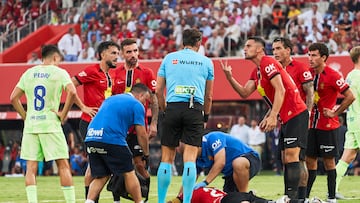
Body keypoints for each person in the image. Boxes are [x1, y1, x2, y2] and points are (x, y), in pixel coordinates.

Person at [221, 36, 308, 200]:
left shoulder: (268, 62)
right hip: (286, 117)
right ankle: (293, 198)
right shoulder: (258, 70)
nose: (244, 49)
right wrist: (229, 77)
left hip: (296, 113)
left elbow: (280, 90)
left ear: (259, 49)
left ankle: (294, 198)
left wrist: (273, 116)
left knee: (292, 156)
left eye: (248, 46)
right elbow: (245, 93)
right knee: (286, 158)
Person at [10, 44, 76, 203]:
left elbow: (13, 98)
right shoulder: (59, 72)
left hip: (31, 126)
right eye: (59, 59)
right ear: (55, 57)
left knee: (30, 168)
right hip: (50, 124)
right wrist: (63, 114)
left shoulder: (29, 73)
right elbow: (72, 92)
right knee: (63, 165)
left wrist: (26, 116)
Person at [156, 28, 214, 203]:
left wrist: (165, 108)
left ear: (182, 42)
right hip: (194, 109)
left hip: (172, 107)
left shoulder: (169, 58)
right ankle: (187, 201)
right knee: (190, 158)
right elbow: (209, 96)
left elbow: (158, 90)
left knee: (166, 158)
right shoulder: (206, 62)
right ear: (199, 42)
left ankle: (160, 201)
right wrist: (205, 116)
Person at [110, 38, 158, 203]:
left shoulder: (147, 73)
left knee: (140, 164)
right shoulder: (115, 74)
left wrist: (153, 123)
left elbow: (154, 100)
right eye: (129, 51)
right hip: (120, 129)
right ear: (122, 53)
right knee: (117, 164)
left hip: (139, 128)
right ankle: (116, 199)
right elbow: (111, 101)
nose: (133, 55)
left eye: (135, 51)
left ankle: (143, 199)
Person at [305, 43, 355, 203]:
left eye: (314, 55)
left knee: (329, 162)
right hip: (310, 125)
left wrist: (335, 112)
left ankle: (332, 198)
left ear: (323, 57)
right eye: (309, 55)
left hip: (327, 126)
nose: (310, 59)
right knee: (309, 161)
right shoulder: (308, 74)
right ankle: (305, 197)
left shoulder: (333, 75)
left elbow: (350, 96)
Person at [71, 41, 120, 202]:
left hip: (106, 125)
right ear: (102, 54)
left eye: (117, 54)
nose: (116, 57)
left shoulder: (112, 74)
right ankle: (90, 199)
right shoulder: (92, 70)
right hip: (90, 124)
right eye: (113, 53)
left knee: (98, 166)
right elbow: (70, 85)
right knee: (94, 166)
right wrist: (83, 107)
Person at [84, 83, 150, 203]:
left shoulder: (110, 99)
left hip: (92, 137)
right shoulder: (137, 105)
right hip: (111, 139)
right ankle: (139, 202)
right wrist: (146, 154)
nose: (145, 104)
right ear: (140, 95)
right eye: (145, 100)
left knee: (102, 176)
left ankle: (88, 201)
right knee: (129, 173)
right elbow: (142, 134)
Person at [272, 37, 314, 201]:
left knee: (298, 158)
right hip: (285, 119)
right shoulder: (275, 68)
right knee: (286, 159)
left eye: (278, 48)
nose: (275, 52)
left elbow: (309, 90)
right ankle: (289, 195)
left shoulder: (300, 67)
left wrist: (308, 113)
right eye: (273, 49)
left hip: (298, 117)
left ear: (288, 50)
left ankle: (301, 197)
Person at [195, 131, 261, 193]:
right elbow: (193, 175)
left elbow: (220, 162)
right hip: (230, 173)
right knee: (228, 198)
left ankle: (244, 195)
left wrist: (205, 182)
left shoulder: (213, 137)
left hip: (250, 158)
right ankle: (250, 196)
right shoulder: (196, 157)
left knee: (238, 163)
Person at [335, 46, 360, 199]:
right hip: (359, 119)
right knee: (347, 156)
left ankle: (333, 189)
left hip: (352, 120)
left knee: (347, 157)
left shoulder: (350, 75)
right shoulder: (358, 75)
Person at [170, 187, 290, 203]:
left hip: (225, 200)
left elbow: (175, 201)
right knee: (269, 202)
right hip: (236, 195)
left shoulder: (188, 196)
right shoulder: (202, 190)